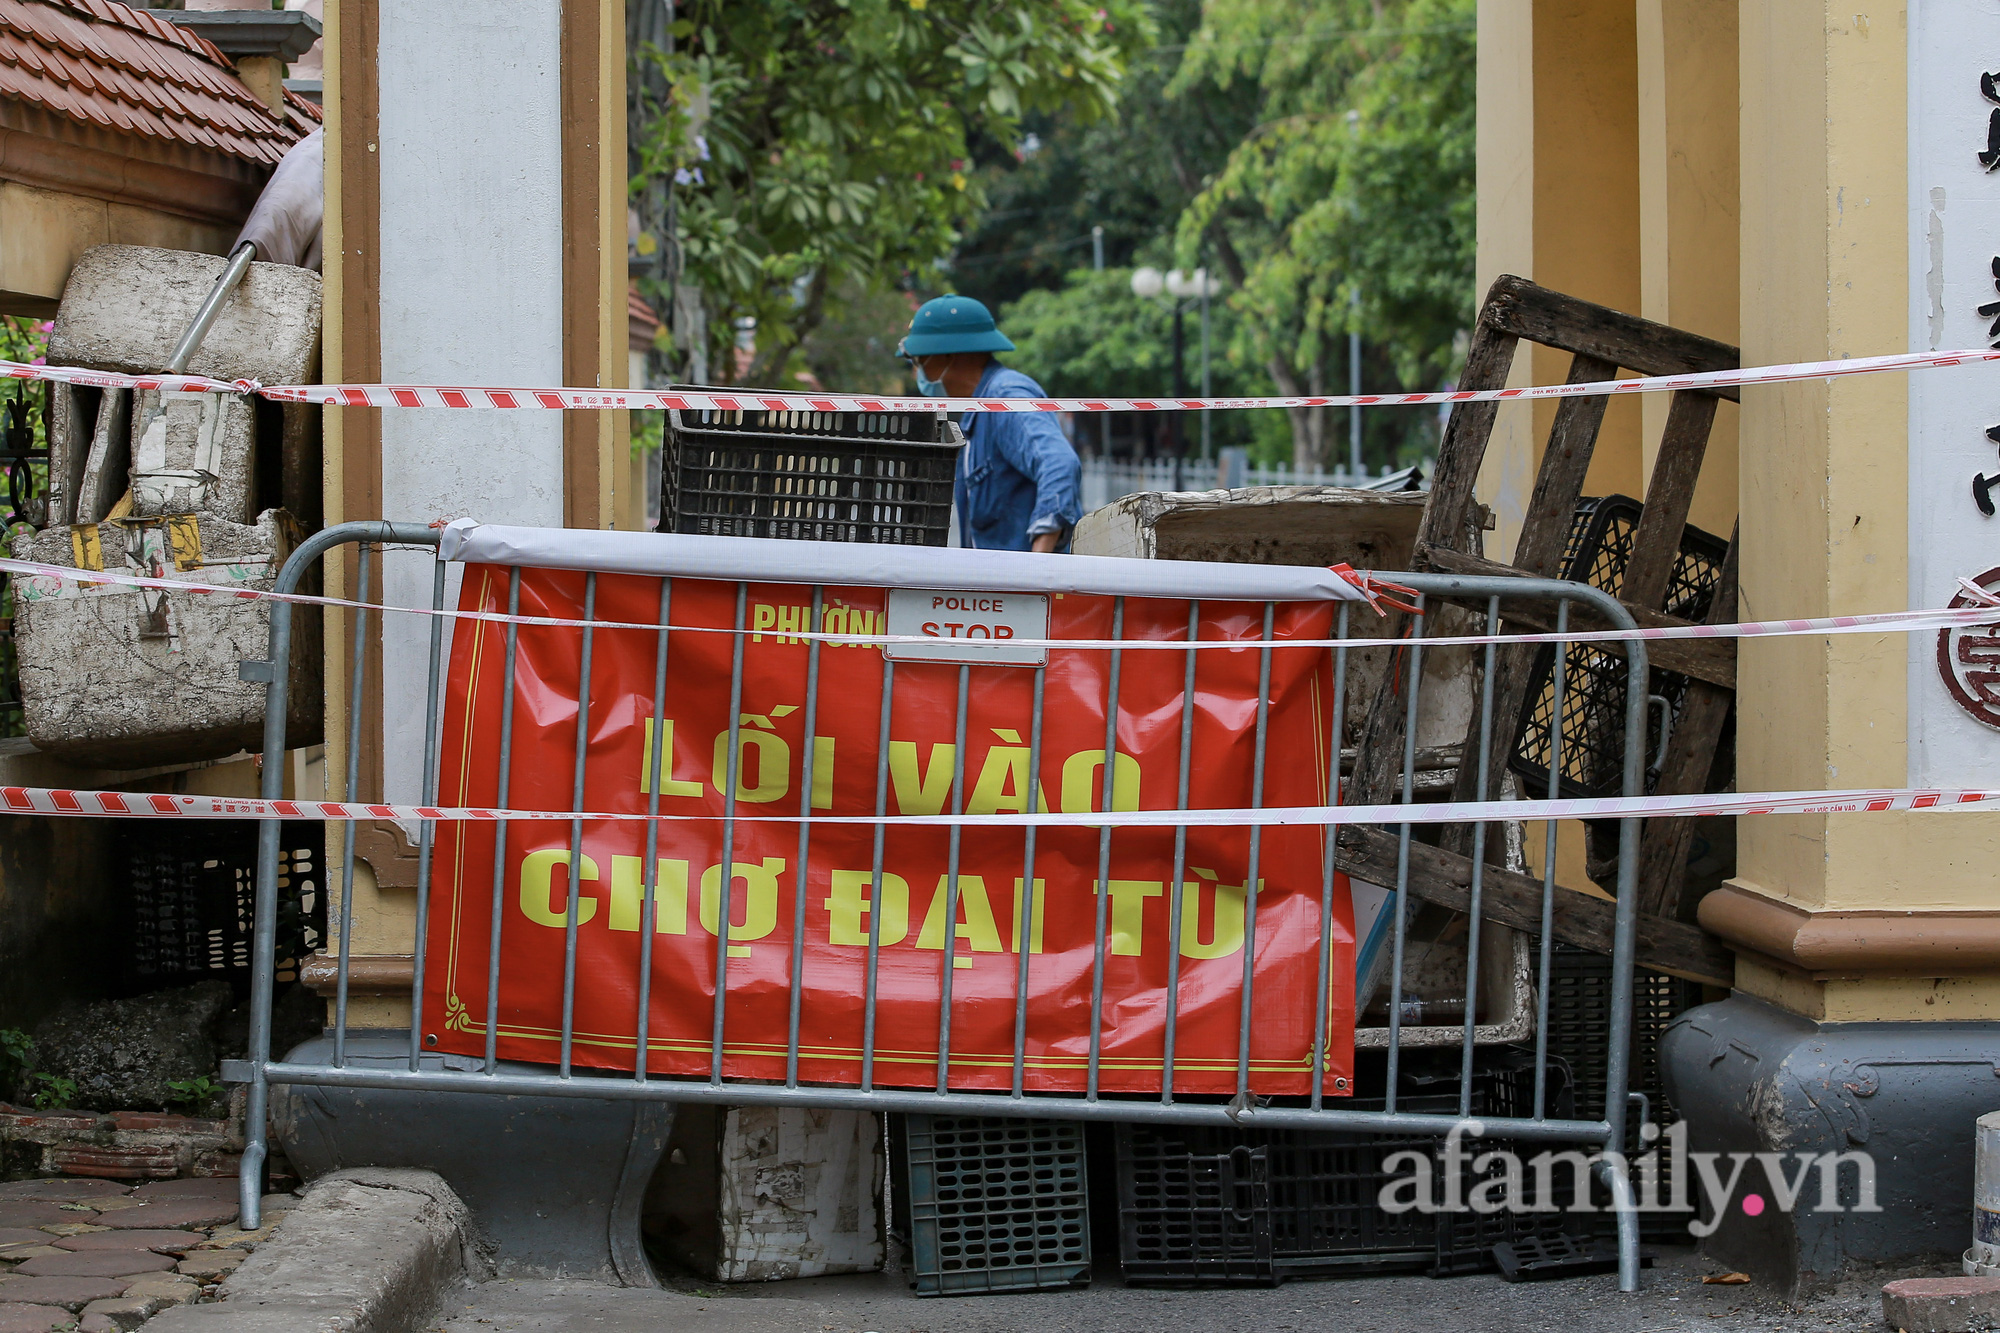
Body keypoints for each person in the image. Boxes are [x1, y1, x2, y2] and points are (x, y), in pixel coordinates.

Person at [897, 295, 1082, 552]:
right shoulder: (979, 411)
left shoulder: (1006, 397)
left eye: (919, 360)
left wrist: (1037, 568)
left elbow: (1060, 464)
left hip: (1026, 589)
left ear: (949, 355)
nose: (917, 372)